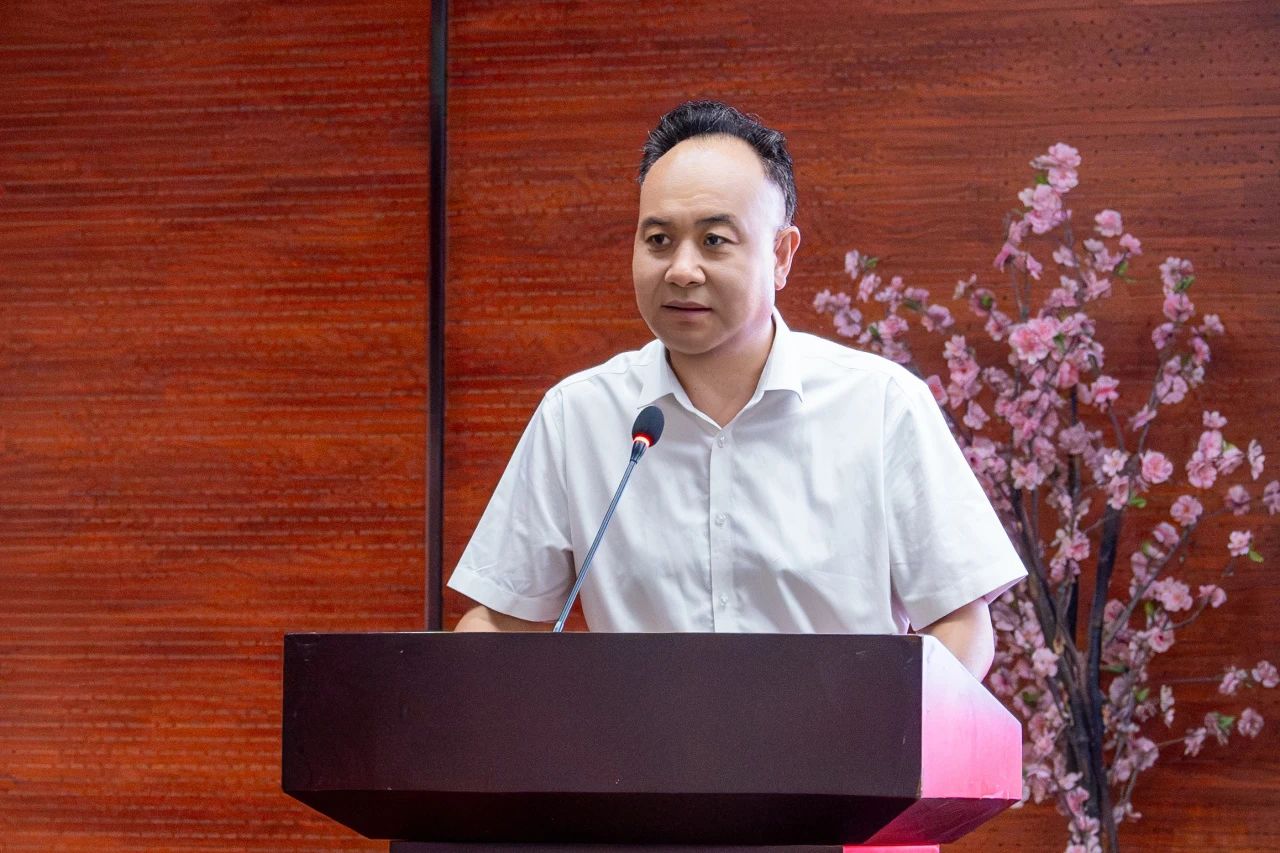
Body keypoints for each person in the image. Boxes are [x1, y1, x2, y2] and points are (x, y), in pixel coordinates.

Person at [449, 100, 1025, 678]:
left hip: (840, 738)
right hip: (639, 740)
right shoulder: (577, 416)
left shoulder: (881, 406)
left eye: (715, 240)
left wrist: (890, 730)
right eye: (658, 240)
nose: (681, 270)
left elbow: (960, 623)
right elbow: (500, 623)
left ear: (781, 255)